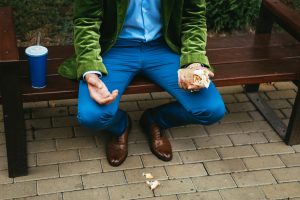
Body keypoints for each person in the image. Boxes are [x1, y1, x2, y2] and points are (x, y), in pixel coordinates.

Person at [58, 0, 226, 167]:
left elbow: (193, 19)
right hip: (115, 47)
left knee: (212, 109)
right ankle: (121, 126)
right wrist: (90, 69)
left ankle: (155, 120)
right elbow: (86, 21)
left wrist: (194, 61)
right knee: (91, 116)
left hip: (163, 46)